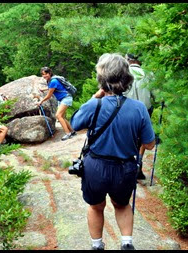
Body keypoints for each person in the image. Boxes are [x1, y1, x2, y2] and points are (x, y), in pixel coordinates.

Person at [71, 53, 155, 250]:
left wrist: (93, 98)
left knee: (95, 206)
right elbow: (149, 144)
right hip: (125, 168)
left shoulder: (94, 105)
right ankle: (126, 243)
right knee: (122, 204)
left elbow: (75, 124)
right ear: (126, 78)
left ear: (102, 79)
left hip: (95, 167)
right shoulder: (139, 109)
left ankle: (97, 245)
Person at [92, 53, 154, 180]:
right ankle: (139, 162)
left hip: (124, 107)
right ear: (139, 61)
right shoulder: (149, 74)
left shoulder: (122, 71)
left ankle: (122, 159)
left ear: (128, 60)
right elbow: (156, 95)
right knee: (142, 135)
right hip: (145, 109)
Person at [37, 67, 76, 141]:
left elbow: (48, 96)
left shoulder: (53, 81)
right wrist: (44, 89)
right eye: (43, 74)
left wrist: (41, 102)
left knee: (58, 115)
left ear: (49, 73)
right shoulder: (51, 80)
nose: (44, 76)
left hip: (66, 98)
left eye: (45, 74)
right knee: (62, 117)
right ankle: (72, 132)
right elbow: (52, 88)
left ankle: (68, 134)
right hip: (62, 99)